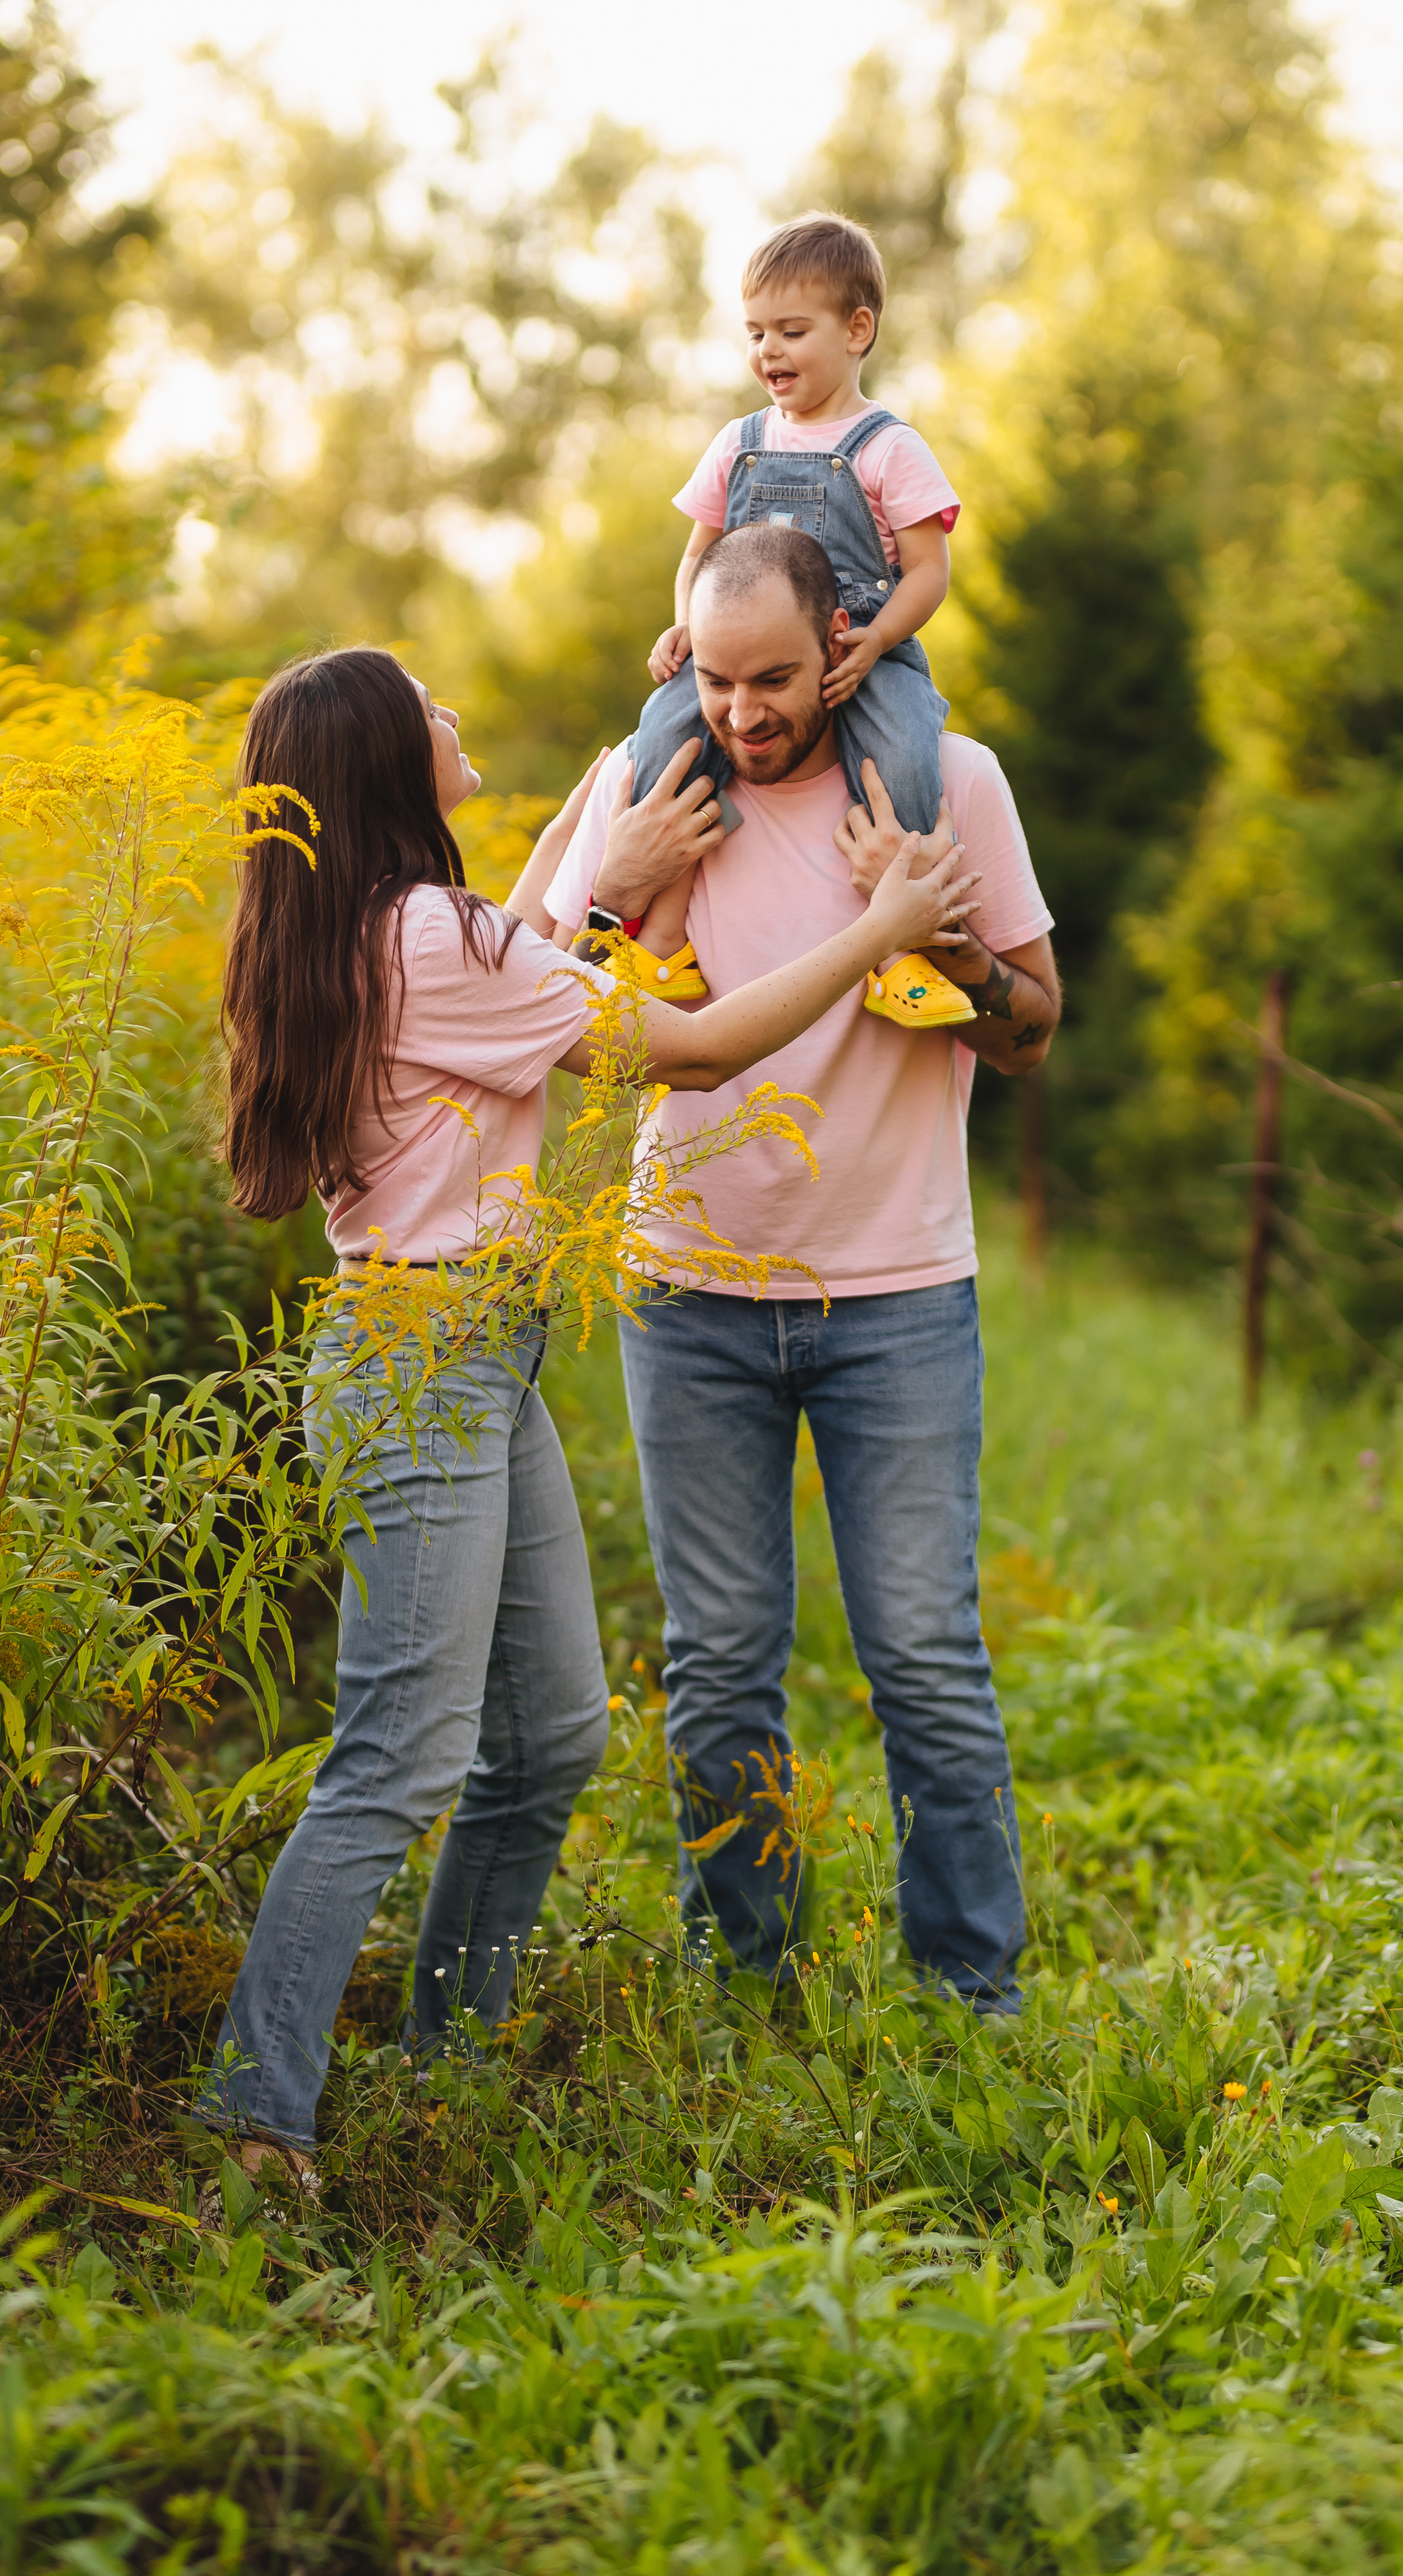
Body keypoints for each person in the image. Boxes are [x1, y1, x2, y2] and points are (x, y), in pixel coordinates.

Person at [200, 645, 979, 2170]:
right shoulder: (427, 936)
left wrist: (654, 723)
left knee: (550, 1734)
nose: (449, 705)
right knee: (398, 1757)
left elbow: (540, 921)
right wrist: (880, 929)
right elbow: (682, 1046)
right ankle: (250, 2110)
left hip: (468, 1352)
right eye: (424, 697)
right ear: (378, 757)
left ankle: (444, 2066)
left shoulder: (396, 929)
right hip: (422, 1362)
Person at [546, 524, 1060, 2014]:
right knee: (716, 1667)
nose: (742, 713)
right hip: (686, 1297)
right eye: (712, 679)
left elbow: (1031, 1034)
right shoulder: (647, 789)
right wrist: (609, 879)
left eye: (773, 679)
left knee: (922, 1660)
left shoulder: (942, 785)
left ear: (841, 641)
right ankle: (741, 1986)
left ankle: (973, 1998)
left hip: (895, 1294)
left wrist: (949, 950)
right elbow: (530, 1013)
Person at [620, 210, 974, 1032]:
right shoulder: (737, 443)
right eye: (754, 333)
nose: (767, 352)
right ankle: (665, 934)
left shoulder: (888, 448)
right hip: (743, 658)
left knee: (905, 759)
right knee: (662, 736)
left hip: (861, 647)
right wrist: (688, 630)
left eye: (790, 330)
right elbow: (696, 558)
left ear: (858, 330)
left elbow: (927, 573)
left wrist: (877, 642)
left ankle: (899, 954)